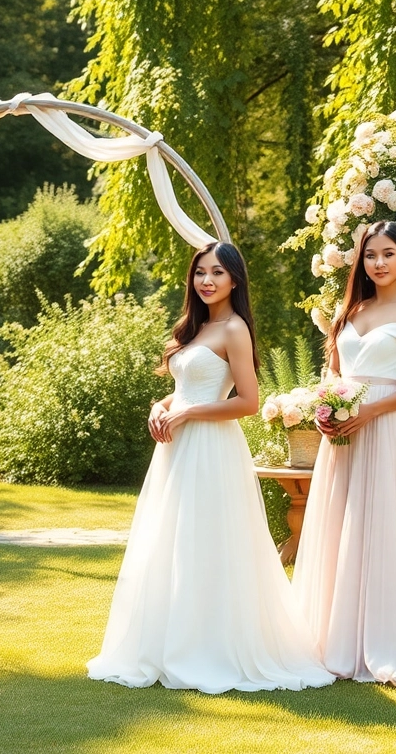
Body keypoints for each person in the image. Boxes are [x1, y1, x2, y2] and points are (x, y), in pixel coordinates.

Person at [87, 241, 334, 694]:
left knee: (207, 541)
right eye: (200, 272)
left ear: (234, 279)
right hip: (176, 449)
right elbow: (185, 387)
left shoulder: (235, 329)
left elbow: (248, 401)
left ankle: (211, 649)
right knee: (171, 539)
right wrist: (160, 406)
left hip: (211, 448)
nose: (207, 280)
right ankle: (167, 644)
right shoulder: (196, 327)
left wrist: (187, 413)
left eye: (217, 272)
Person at [292, 220, 396, 685]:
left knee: (387, 524)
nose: (379, 262)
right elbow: (332, 373)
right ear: (361, 261)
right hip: (344, 433)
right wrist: (325, 409)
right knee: (342, 525)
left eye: (388, 254)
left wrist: (370, 410)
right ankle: (336, 638)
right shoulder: (350, 309)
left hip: (389, 429)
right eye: (370, 255)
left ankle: (391, 640)